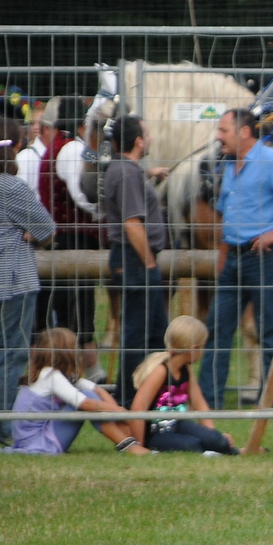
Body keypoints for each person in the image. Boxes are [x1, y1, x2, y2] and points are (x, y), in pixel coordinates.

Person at [200, 108, 273, 410]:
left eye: (224, 130)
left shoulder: (271, 160)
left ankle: (270, 402)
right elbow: (226, 215)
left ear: (244, 132)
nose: (218, 137)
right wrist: (223, 257)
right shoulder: (231, 167)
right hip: (233, 258)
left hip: (263, 257)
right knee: (216, 330)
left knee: (270, 331)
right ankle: (209, 402)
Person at [0, 116, 56, 444]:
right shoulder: (11, 185)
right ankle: (3, 426)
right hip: (15, 280)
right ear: (18, 145)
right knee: (11, 354)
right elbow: (46, 226)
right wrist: (24, 235)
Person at [101, 116, 170, 405]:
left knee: (155, 335)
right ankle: (131, 401)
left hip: (134, 259)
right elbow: (131, 224)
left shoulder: (126, 170)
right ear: (138, 141)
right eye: (147, 133)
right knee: (137, 336)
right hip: (136, 260)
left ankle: (154, 398)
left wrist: (149, 174)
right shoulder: (128, 174)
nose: (151, 138)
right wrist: (149, 263)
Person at [6, 327, 146, 455]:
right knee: (87, 399)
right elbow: (85, 403)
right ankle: (128, 445)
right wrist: (122, 413)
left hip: (36, 439)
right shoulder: (50, 375)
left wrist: (119, 414)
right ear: (68, 354)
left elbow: (97, 390)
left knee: (91, 395)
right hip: (40, 444)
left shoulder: (53, 373)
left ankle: (127, 440)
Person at [35, 96, 100, 340]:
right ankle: (75, 369)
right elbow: (83, 196)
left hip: (69, 235)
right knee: (76, 312)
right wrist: (103, 215)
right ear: (83, 123)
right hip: (73, 239)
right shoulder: (73, 149)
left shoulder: (64, 146)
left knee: (75, 309)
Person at [129, 315, 240, 455]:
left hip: (179, 425)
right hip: (156, 432)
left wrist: (213, 435)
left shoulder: (186, 370)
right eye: (202, 347)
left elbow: (199, 404)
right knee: (193, 446)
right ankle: (216, 452)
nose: (202, 352)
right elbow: (138, 409)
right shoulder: (160, 371)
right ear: (193, 349)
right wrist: (139, 445)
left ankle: (232, 451)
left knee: (219, 441)